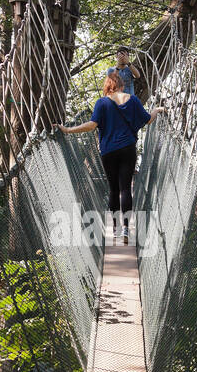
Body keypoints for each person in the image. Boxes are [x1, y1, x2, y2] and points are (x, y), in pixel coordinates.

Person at [58, 68, 166, 243]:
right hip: (128, 148)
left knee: (114, 190)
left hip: (108, 151)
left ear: (108, 86)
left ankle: (114, 230)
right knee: (125, 189)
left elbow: (92, 125)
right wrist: (158, 110)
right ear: (122, 85)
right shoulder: (133, 100)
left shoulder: (101, 102)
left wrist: (68, 130)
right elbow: (148, 119)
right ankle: (125, 229)